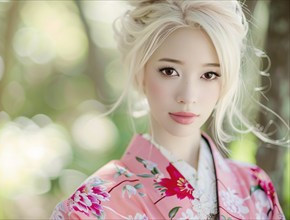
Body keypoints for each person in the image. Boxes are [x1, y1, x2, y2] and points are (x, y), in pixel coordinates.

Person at [51, 1, 288, 219]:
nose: (188, 96)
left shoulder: (255, 189)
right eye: (169, 71)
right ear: (140, 72)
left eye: (209, 75)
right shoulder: (92, 207)